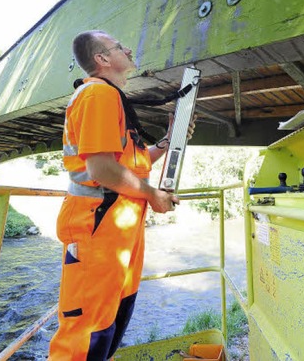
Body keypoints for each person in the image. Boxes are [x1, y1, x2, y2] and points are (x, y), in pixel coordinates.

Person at [48, 30, 194, 360]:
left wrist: (167, 141)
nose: (127, 49)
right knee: (86, 335)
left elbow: (128, 163)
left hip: (118, 228)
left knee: (108, 325)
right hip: (99, 227)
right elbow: (101, 169)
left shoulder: (110, 97)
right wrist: (153, 194)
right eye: (118, 47)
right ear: (102, 59)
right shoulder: (98, 95)